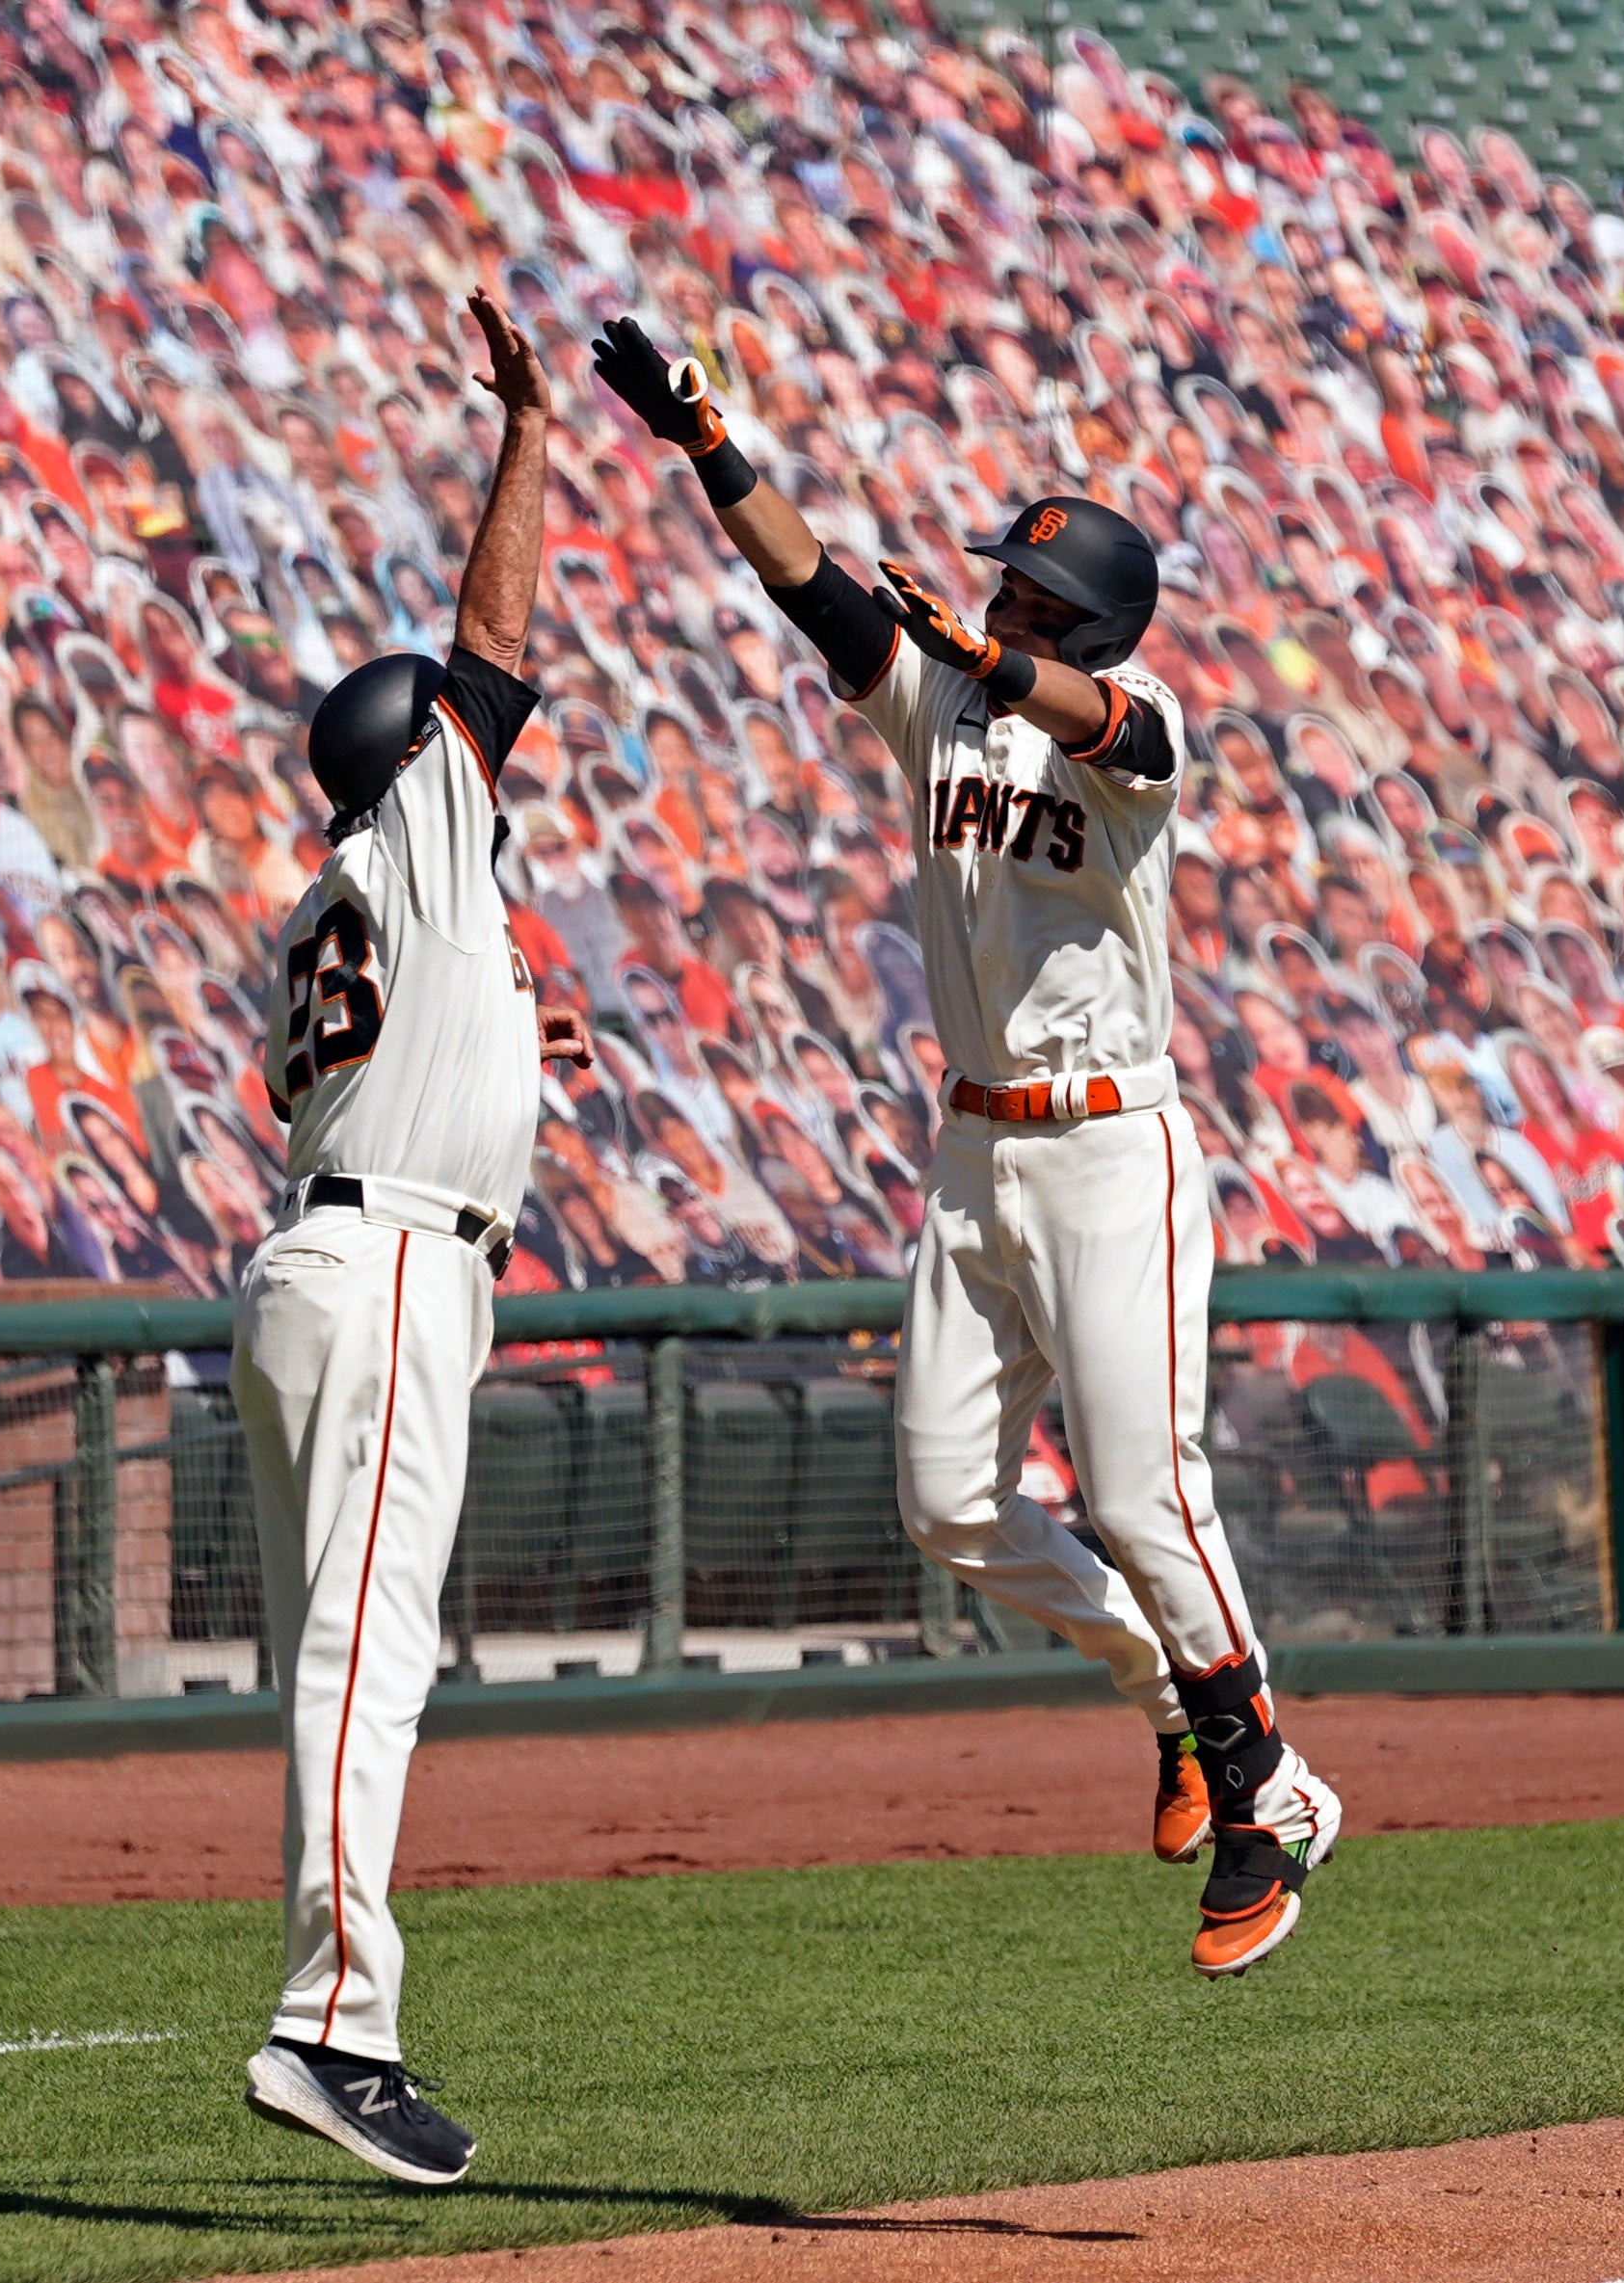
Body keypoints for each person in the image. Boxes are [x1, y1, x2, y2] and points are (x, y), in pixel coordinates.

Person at [593, 316, 1338, 1979]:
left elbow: (1103, 725)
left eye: (1017, 594)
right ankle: (1167, 1696)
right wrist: (702, 437)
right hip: (971, 1150)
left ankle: (1266, 1785)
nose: (988, 601)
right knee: (944, 1495)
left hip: (1106, 1148)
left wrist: (998, 662)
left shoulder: (1133, 717)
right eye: (994, 591)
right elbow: (813, 589)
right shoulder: (936, 702)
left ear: (1073, 622)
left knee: (1147, 1491)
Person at [234, 292, 592, 2187]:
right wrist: (529, 432)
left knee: (338, 1653)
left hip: (336, 1256)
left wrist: (526, 1056)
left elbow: (406, 1069)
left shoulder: (335, 898)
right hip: (382, 1272)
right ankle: (329, 2023)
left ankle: (334, 2003)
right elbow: (497, 642)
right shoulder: (422, 821)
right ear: (421, 753)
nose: (495, 753)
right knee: (366, 1658)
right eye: (462, 741)